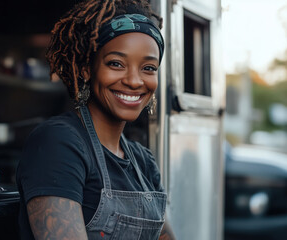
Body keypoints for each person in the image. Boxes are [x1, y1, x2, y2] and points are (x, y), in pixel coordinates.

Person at [16, 0, 176, 239]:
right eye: (116, 64)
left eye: (148, 68)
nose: (134, 81)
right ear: (86, 69)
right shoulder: (59, 143)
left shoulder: (144, 163)